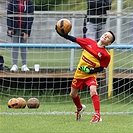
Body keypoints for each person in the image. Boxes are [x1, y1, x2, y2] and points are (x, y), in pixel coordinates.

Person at [55, 27, 115, 122]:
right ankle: (79, 108)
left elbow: (102, 68)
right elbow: (74, 39)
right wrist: (61, 33)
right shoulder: (89, 42)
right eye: (105, 34)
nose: (105, 36)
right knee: (73, 94)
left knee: (93, 90)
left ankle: (97, 115)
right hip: (79, 74)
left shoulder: (106, 55)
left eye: (108, 37)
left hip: (90, 75)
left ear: (109, 43)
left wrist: (90, 71)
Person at [7, 0, 34, 72]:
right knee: (14, 46)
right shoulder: (12, 2)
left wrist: (27, 31)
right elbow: (9, 15)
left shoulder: (29, 3)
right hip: (15, 27)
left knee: (23, 46)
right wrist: (10, 28)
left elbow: (31, 17)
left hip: (24, 27)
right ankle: (14, 65)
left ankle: (24, 65)